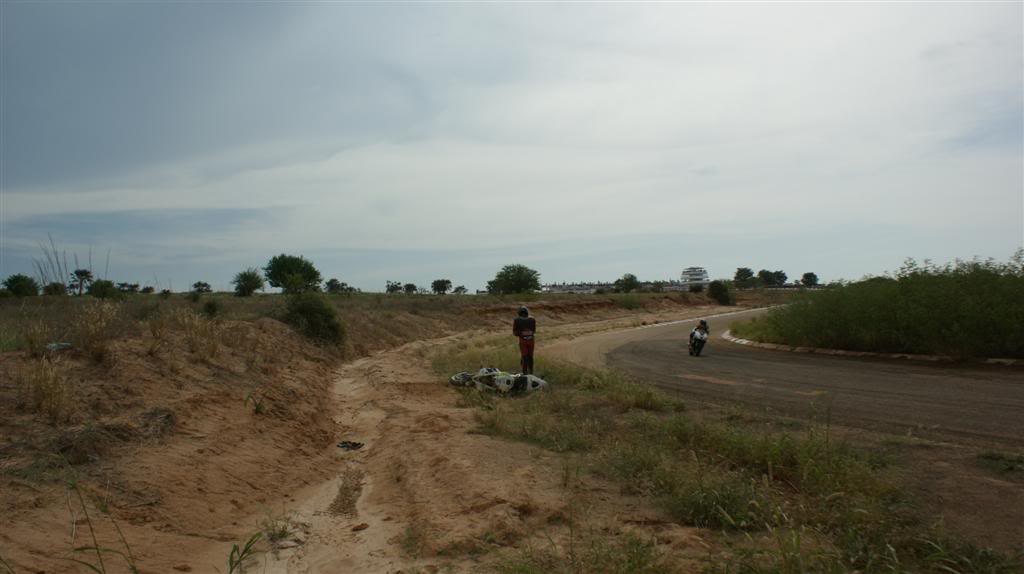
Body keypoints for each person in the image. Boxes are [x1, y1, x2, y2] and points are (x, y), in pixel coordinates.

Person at [513, 306, 537, 374]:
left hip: (523, 341)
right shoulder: (532, 319)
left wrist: (521, 333)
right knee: (530, 356)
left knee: (524, 356)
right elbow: (534, 331)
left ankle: (524, 372)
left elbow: (515, 332)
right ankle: (531, 371)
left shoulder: (517, 320)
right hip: (531, 340)